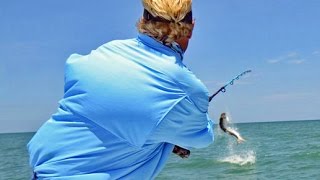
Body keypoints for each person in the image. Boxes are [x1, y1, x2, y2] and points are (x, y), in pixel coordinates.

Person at [27, 0, 215, 179]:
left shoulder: (104, 52)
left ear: (143, 21)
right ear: (191, 29)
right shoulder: (187, 90)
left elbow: (113, 109)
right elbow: (201, 138)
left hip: (42, 172)